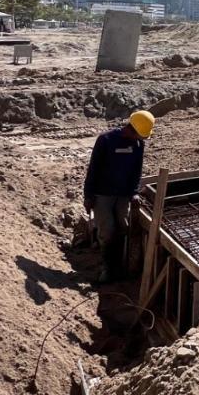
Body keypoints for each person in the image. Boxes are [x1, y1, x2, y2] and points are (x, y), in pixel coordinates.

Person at [83, 110, 155, 283]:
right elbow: (93, 169)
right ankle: (108, 268)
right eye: (140, 135)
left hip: (123, 195)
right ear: (132, 129)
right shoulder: (106, 140)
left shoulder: (138, 145)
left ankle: (120, 265)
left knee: (122, 228)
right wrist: (88, 195)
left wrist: (134, 192)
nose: (142, 139)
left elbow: (136, 172)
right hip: (103, 194)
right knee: (107, 231)